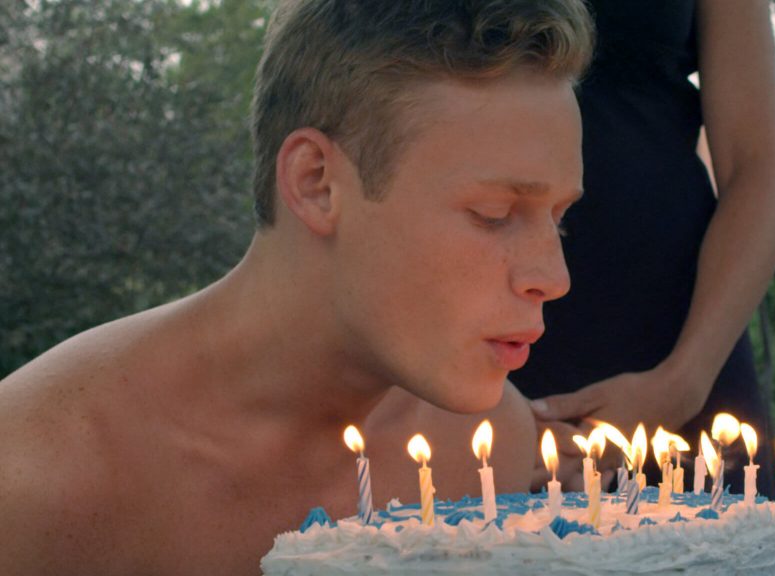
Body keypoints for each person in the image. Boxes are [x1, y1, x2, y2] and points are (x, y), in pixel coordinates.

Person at [0, 1, 594, 574]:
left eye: (559, 217)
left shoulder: (486, 451)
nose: (555, 277)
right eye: (494, 213)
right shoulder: (35, 476)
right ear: (316, 183)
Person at [512, 0, 775, 493]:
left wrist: (682, 382)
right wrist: (439, 406)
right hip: (456, 352)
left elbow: (760, 167)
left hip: (675, 344)